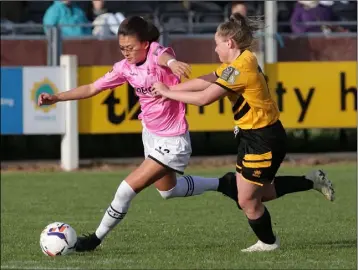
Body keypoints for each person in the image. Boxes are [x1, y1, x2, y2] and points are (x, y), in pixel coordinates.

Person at [37, 16, 235, 252]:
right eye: (122, 48)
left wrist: (172, 64)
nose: (126, 53)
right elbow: (91, 88)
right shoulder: (124, 68)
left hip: (172, 138)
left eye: (130, 47)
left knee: (125, 190)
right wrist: (57, 97)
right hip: (150, 134)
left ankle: (94, 240)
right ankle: (224, 183)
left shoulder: (155, 54)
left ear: (145, 44)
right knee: (168, 191)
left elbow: (165, 56)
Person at [152, 13, 335, 252]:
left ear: (229, 43)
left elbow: (204, 98)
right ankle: (310, 180)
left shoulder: (239, 70)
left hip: (263, 140)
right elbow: (208, 80)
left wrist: (168, 93)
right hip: (253, 137)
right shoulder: (240, 61)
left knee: (247, 199)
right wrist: (171, 89)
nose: (215, 50)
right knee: (262, 192)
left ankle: (268, 244)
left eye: (217, 44)